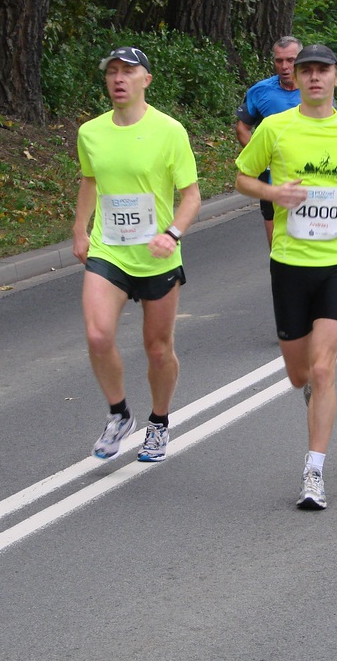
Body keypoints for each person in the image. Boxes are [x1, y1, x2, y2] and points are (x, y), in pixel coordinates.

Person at [234, 44, 337, 511]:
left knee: (323, 368)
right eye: (306, 71)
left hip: (336, 261)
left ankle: (314, 471)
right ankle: (313, 397)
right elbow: (241, 177)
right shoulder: (275, 128)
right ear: (295, 79)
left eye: (322, 70)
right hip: (289, 263)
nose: (314, 78)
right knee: (300, 373)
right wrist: (272, 190)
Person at [73, 46, 202, 463]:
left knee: (158, 348)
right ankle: (118, 414)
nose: (118, 79)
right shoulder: (91, 132)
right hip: (108, 249)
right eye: (112, 72)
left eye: (128, 72)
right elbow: (90, 181)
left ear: (147, 79)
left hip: (157, 254)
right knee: (97, 334)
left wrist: (173, 233)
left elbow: (191, 196)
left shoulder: (170, 131)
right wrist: (80, 228)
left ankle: (159, 423)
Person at [235, 36, 303, 246]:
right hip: (273, 175)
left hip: (307, 172)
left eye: (291, 60)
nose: (284, 66)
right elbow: (242, 128)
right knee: (276, 237)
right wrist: (262, 158)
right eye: (279, 60)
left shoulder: (316, 89)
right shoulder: (260, 91)